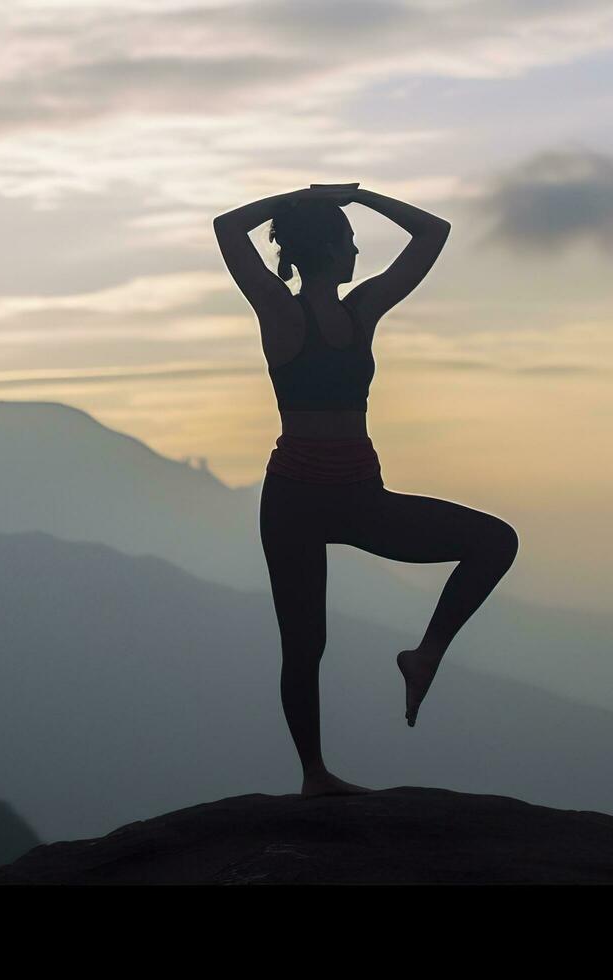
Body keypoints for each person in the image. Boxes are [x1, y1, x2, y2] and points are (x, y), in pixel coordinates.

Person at [213, 184, 521, 797]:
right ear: (329, 249)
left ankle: (425, 654)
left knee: (494, 542)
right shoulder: (281, 310)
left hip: (357, 496)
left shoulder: (362, 310)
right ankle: (315, 777)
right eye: (351, 241)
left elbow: (433, 234)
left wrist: (356, 198)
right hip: (297, 500)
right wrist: (309, 196)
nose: (358, 253)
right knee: (304, 645)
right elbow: (227, 228)